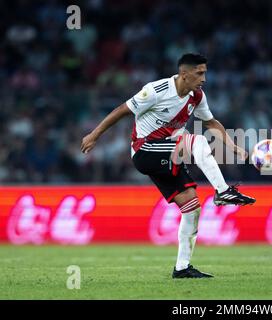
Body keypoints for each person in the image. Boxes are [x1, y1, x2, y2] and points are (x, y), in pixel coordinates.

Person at [81, 53, 255, 278]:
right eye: (199, 73)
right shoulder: (156, 90)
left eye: (205, 73)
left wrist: (233, 147)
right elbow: (123, 110)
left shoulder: (197, 96)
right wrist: (95, 135)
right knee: (198, 141)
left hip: (169, 151)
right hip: (145, 150)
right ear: (184, 74)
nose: (204, 78)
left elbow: (211, 122)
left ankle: (182, 268)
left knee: (192, 206)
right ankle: (223, 192)